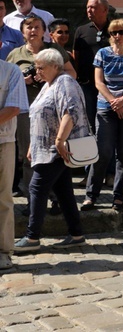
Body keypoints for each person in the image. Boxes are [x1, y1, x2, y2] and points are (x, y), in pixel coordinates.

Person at [13, 49, 89, 253]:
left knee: (37, 188)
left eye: (41, 67)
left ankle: (32, 238)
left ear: (55, 65)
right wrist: (32, 145)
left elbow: (70, 111)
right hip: (46, 147)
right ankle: (76, 234)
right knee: (64, 192)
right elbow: (39, 117)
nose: (37, 71)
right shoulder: (49, 84)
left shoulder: (64, 81)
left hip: (56, 148)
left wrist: (59, 140)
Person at [6, 14, 76, 212]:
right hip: (25, 109)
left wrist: (50, 78)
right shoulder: (15, 54)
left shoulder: (54, 50)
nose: (33, 31)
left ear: (43, 31)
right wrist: (22, 78)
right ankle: (33, 200)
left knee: (54, 155)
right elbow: (7, 80)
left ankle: (56, 198)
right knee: (29, 155)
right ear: (23, 32)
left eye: (37, 27)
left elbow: (72, 73)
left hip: (52, 110)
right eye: (29, 27)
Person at [80, 19, 123, 212]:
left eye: (122, 32)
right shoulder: (102, 54)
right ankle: (91, 196)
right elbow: (98, 82)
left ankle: (118, 196)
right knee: (103, 152)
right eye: (114, 32)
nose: (117, 36)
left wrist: (122, 101)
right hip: (106, 108)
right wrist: (114, 103)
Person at [0, 58, 27, 271]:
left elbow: (13, 107)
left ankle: (3, 251)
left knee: (2, 197)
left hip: (3, 141)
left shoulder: (11, 71)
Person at [73, 0, 111, 127]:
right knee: (88, 121)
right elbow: (76, 55)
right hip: (87, 83)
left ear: (105, 10)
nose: (89, 10)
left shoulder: (115, 30)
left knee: (106, 120)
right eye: (88, 7)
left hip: (109, 84)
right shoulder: (81, 30)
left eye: (93, 7)